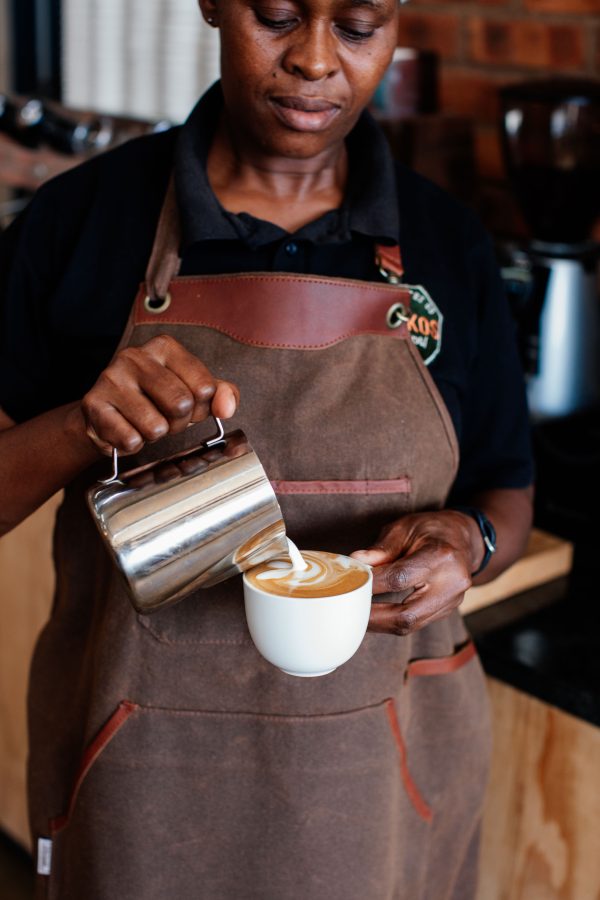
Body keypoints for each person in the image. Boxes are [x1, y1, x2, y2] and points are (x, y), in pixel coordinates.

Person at [0, 0, 534, 897]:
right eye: (278, 15)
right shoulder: (82, 221)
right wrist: (80, 427)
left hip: (383, 782)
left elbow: (507, 489)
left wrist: (469, 544)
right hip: (137, 785)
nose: (315, 60)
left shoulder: (449, 243)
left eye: (358, 26)